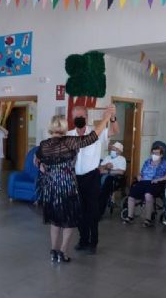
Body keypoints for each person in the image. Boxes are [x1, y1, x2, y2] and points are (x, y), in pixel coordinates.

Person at [36, 107, 115, 263]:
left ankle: (53, 251)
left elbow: (36, 160)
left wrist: (42, 167)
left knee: (55, 221)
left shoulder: (44, 144)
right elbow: (91, 138)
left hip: (51, 186)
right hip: (67, 185)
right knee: (69, 220)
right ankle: (63, 253)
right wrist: (106, 118)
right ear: (64, 127)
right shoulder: (69, 141)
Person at [68, 106, 119, 254]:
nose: (79, 119)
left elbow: (114, 131)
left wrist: (112, 117)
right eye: (76, 116)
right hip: (75, 178)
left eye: (81, 116)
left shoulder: (97, 131)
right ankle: (83, 240)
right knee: (79, 211)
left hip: (91, 176)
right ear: (72, 118)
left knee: (92, 211)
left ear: (87, 117)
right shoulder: (69, 134)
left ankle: (93, 242)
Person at [123, 145, 166, 227]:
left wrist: (159, 179)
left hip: (155, 182)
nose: (154, 155)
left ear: (161, 155)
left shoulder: (165, 163)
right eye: (153, 153)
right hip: (144, 181)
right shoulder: (147, 162)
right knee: (131, 195)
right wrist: (139, 176)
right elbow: (141, 173)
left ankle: (148, 219)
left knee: (148, 195)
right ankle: (130, 216)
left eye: (157, 153)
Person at [98, 141, 126, 218]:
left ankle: (99, 213)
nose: (112, 151)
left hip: (114, 178)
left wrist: (108, 171)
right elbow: (100, 169)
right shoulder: (107, 157)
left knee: (103, 191)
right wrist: (106, 166)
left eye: (114, 149)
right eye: (112, 149)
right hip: (103, 176)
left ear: (119, 151)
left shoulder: (122, 159)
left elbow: (121, 172)